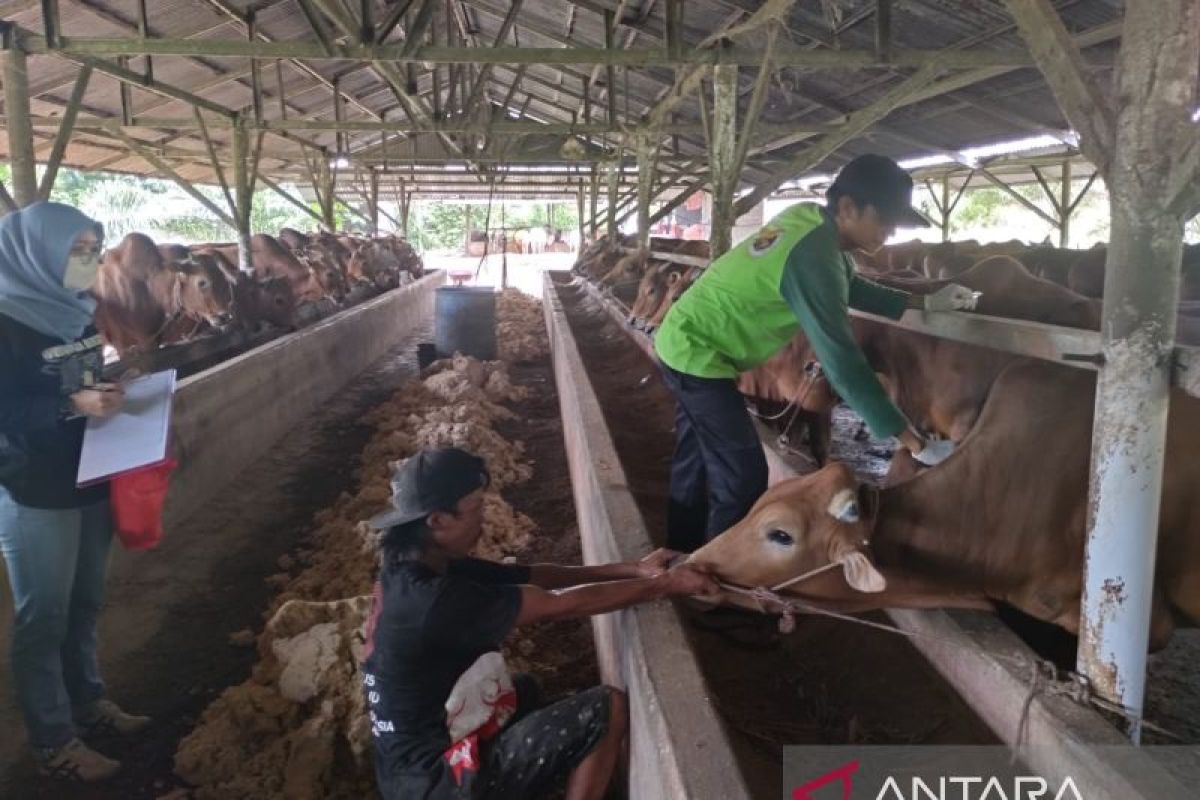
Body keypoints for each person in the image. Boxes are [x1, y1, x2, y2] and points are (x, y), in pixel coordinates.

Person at [653, 154, 980, 551]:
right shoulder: (813, 255)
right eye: (884, 220)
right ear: (847, 208)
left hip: (685, 338)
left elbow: (849, 289)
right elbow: (842, 361)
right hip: (699, 355)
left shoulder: (811, 223)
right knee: (742, 474)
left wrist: (924, 303)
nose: (890, 233)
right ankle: (720, 580)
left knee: (699, 455)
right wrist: (914, 442)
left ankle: (681, 550)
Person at [362, 447, 717, 800]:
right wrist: (665, 585)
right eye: (476, 509)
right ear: (437, 520)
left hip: (414, 765)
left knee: (523, 690)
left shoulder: (417, 565)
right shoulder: (435, 599)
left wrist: (632, 569)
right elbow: (559, 605)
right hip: (438, 782)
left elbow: (535, 576)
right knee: (605, 709)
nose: (483, 519)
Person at [0, 202, 150, 782]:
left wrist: (115, 387)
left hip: (90, 472)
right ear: (37, 253)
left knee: (85, 603)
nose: (92, 263)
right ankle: (53, 739)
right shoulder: (6, 320)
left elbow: (80, 384)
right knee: (44, 615)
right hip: (33, 488)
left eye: (95, 249)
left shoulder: (78, 313)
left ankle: (89, 701)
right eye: (79, 251)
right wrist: (70, 406)